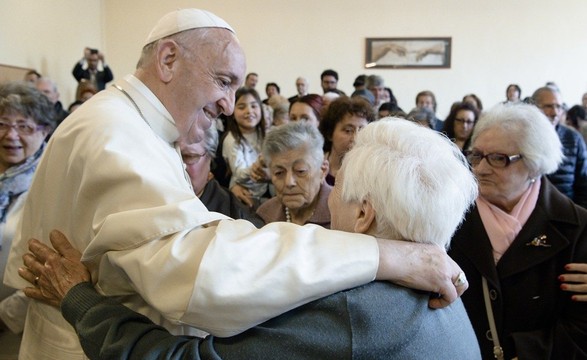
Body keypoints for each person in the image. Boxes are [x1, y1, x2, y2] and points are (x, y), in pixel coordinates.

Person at [5, 9, 466, 359]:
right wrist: (387, 254)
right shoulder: (115, 132)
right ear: (168, 59)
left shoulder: (133, 126)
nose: (229, 104)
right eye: (223, 81)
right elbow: (206, 275)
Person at [20, 118, 482, 360]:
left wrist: (79, 297)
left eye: (335, 185)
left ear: (364, 215)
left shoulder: (355, 312)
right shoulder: (439, 285)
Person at [451, 103, 587, 359]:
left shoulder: (576, 228)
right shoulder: (449, 217)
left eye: (499, 159)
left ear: (535, 165)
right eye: (477, 155)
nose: (480, 169)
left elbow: (581, 328)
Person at [0, 82, 54, 359]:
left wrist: (5, 317)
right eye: (3, 124)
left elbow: (49, 268)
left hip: (16, 327)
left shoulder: (52, 182)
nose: (11, 135)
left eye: (24, 126)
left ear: (44, 132)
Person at [181, 125, 264, 227]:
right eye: (170, 155)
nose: (177, 164)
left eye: (188, 157)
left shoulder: (239, 219)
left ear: (210, 161)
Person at [256, 121, 331, 227]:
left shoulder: (346, 215)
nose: (289, 182)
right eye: (279, 173)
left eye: (300, 171)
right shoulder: (266, 215)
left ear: (323, 170)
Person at [532, 86, 587, 208]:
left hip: (567, 213)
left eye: (559, 107)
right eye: (549, 106)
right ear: (534, 107)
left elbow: (583, 185)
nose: (555, 112)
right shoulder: (521, 138)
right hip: (530, 215)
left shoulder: (574, 139)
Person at [221, 87, 269, 208]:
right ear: (232, 112)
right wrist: (258, 165)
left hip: (267, 192)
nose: (249, 111)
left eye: (254, 106)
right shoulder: (231, 139)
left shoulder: (268, 135)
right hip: (244, 194)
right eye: (242, 107)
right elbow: (239, 173)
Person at [319, 96, 375, 186]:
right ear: (330, 133)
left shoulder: (371, 173)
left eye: (362, 130)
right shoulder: (316, 166)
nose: (356, 138)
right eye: (348, 130)